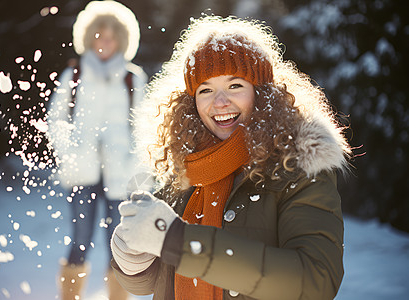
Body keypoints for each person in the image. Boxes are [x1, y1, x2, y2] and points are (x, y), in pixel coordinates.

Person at [110, 15, 352, 300]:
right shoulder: (188, 165)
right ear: (191, 102)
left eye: (235, 85)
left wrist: (181, 242)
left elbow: (317, 281)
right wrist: (132, 261)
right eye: (206, 90)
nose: (220, 102)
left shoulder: (298, 166)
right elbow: (160, 280)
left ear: (263, 93)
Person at [46, 1, 147, 299]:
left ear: (122, 40)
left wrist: (134, 165)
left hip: (120, 173)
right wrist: (69, 153)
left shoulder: (133, 78)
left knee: (118, 244)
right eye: (99, 36)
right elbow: (56, 119)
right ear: (89, 38)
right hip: (82, 171)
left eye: (111, 37)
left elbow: (143, 127)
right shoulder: (74, 75)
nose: (104, 43)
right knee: (80, 240)